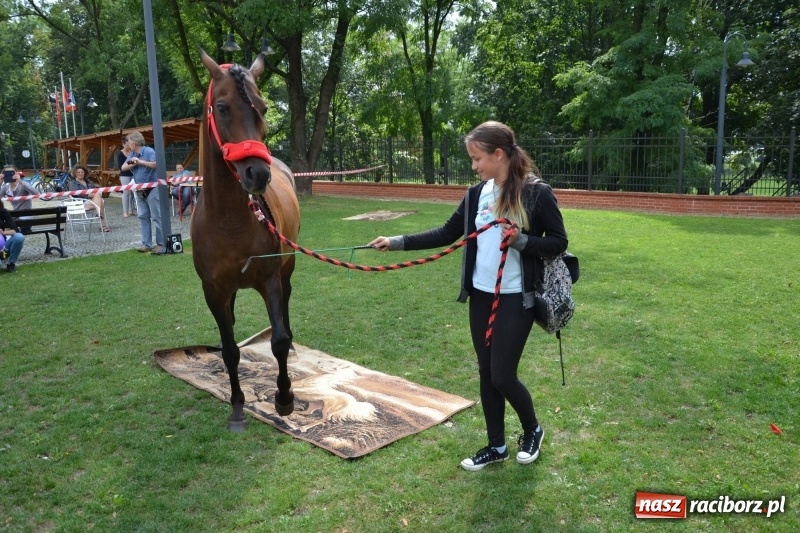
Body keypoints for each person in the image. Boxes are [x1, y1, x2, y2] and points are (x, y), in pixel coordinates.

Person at [369, 121, 568, 471]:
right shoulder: (477, 194)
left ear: (498, 154)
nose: (474, 166)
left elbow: (558, 242)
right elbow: (447, 232)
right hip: (481, 297)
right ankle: (496, 446)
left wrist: (521, 240)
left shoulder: (536, 193)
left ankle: (533, 428)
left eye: (477, 159)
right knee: (485, 372)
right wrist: (397, 241)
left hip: (515, 299)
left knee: (503, 375)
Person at [122, 131, 163, 253]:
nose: (128, 144)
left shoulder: (149, 151)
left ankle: (161, 243)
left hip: (152, 188)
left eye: (129, 142)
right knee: (143, 216)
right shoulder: (133, 154)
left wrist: (141, 162)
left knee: (156, 216)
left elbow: (156, 164)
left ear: (134, 143)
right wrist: (133, 162)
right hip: (139, 189)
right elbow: (123, 167)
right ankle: (146, 244)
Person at [68, 164, 110, 232]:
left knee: (98, 196)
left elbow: (95, 191)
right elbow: (75, 194)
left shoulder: (89, 182)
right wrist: (88, 195)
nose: (80, 174)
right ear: (75, 174)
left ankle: (99, 216)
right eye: (78, 172)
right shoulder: (73, 183)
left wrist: (96, 193)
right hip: (81, 203)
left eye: (82, 172)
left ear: (84, 173)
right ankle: (102, 225)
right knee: (100, 202)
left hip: (92, 201)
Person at [0, 197, 25, 273]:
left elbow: (15, 230)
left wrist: (3, 233)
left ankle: (11, 264)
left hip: (2, 252)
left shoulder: (3, 211)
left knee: (19, 237)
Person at [117, 136, 136, 217]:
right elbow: (121, 166)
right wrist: (131, 163)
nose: (128, 147)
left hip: (133, 174)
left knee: (132, 192)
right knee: (126, 192)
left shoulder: (132, 153)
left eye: (129, 145)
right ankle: (125, 211)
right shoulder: (120, 153)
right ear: (123, 144)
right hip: (124, 175)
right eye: (127, 145)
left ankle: (131, 210)